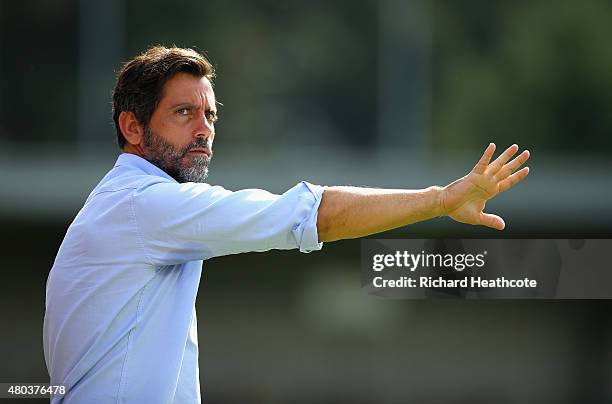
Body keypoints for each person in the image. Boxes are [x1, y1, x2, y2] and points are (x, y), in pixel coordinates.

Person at [43, 46, 530, 403]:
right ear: (132, 127)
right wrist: (440, 200)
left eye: (210, 114)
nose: (204, 129)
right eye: (183, 112)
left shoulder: (133, 207)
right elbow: (309, 214)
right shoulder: (143, 205)